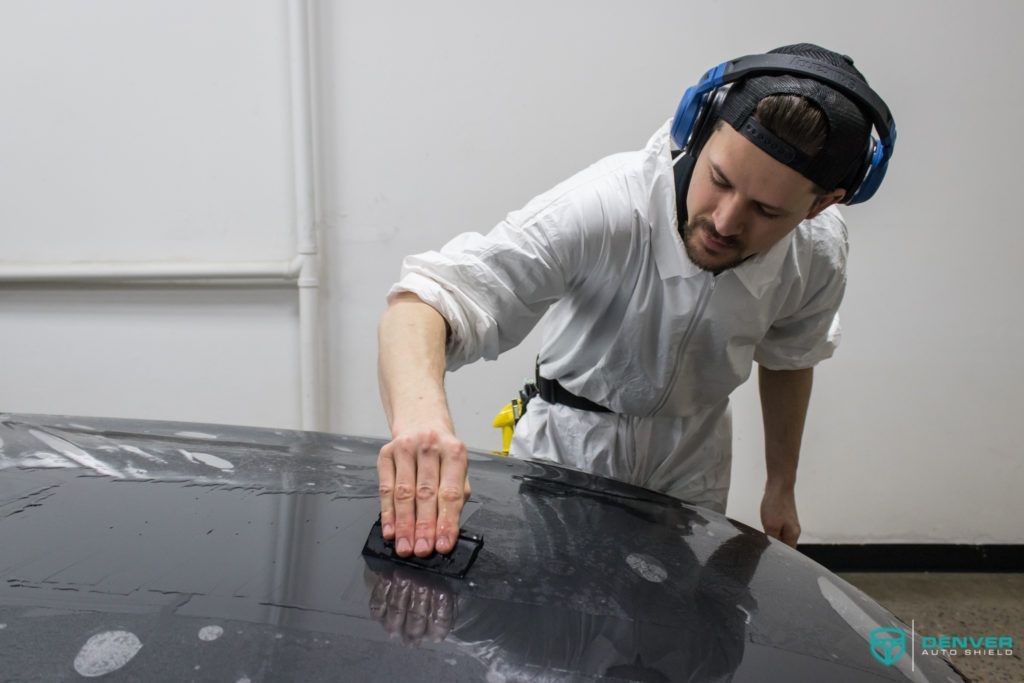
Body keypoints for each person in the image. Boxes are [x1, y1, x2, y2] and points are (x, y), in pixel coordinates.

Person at [376, 43, 896, 558]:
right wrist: (422, 423)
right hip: (570, 448)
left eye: (766, 210)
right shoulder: (607, 206)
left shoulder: (819, 249)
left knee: (672, 629)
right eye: (718, 180)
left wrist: (781, 485)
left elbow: (791, 356)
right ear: (696, 130)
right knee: (550, 622)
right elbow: (429, 299)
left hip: (695, 453)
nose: (724, 221)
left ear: (820, 205)